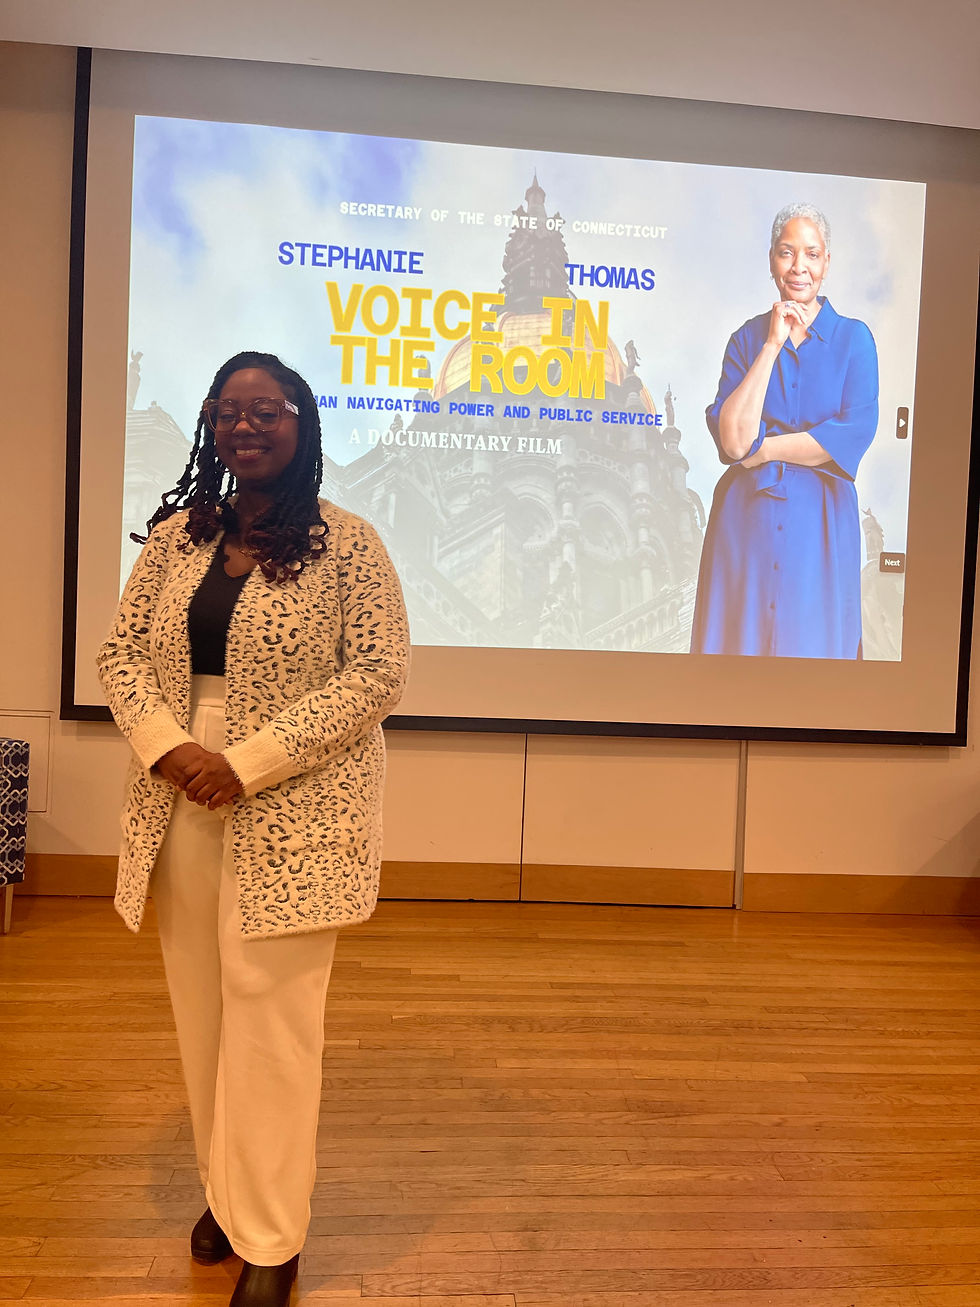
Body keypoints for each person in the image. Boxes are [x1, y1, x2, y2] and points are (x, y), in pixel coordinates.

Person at [98, 350, 410, 1306]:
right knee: (203, 1011)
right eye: (230, 411)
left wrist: (249, 758)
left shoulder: (348, 544)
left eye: (267, 410)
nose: (246, 425)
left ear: (301, 423)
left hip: (298, 801)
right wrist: (169, 746)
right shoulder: (175, 539)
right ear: (210, 423)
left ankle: (272, 1239)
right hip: (179, 789)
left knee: (272, 1021)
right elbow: (121, 655)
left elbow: (378, 672)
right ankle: (227, 1194)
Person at [690, 203, 879, 657]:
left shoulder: (854, 339)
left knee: (815, 655)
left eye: (812, 254)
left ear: (827, 262)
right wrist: (773, 344)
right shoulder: (746, 339)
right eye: (787, 252)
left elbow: (852, 432)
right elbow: (735, 441)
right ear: (772, 260)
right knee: (734, 658)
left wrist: (766, 450)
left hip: (821, 527)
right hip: (744, 526)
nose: (799, 267)